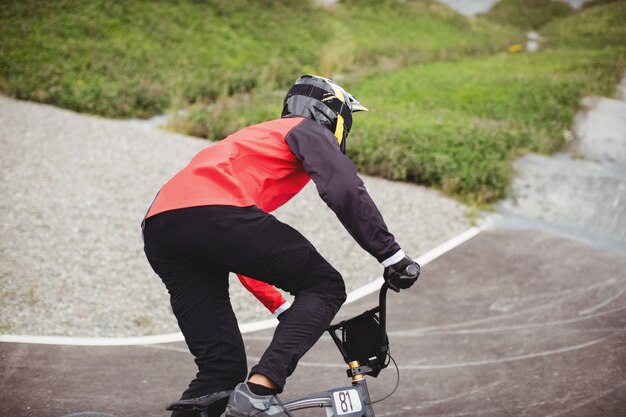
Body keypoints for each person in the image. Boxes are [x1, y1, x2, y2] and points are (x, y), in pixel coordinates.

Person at [141, 74, 420, 417]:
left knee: (220, 371)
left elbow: (238, 248)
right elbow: (344, 189)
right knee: (325, 285)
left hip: (160, 229)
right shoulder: (305, 129)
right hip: (215, 213)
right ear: (333, 116)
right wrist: (391, 255)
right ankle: (261, 390)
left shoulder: (253, 139)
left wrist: (284, 311)